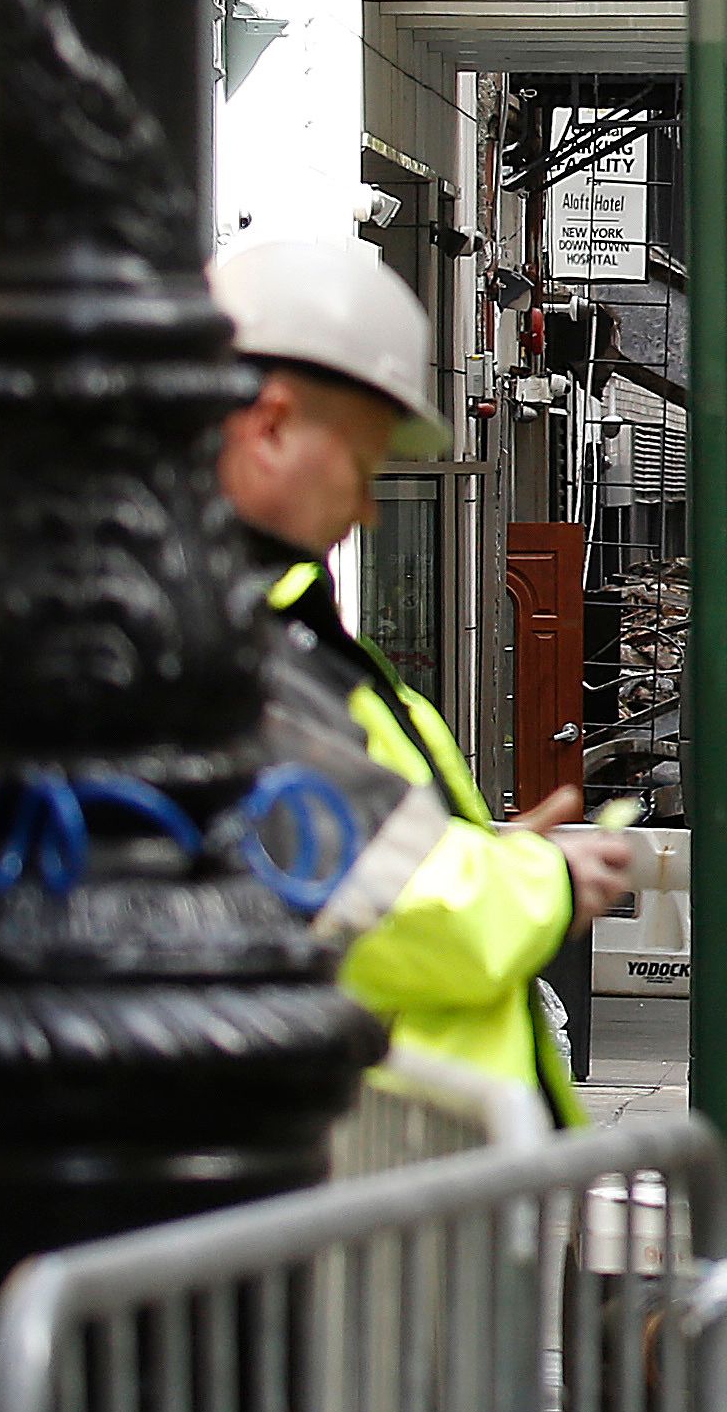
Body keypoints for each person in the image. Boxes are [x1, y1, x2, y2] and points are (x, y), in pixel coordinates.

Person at [215, 236, 641, 1123]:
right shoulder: (240, 645)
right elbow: (395, 901)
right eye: (362, 463)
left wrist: (494, 853)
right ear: (273, 424)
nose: (369, 507)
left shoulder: (280, 632)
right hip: (372, 1192)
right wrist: (545, 882)